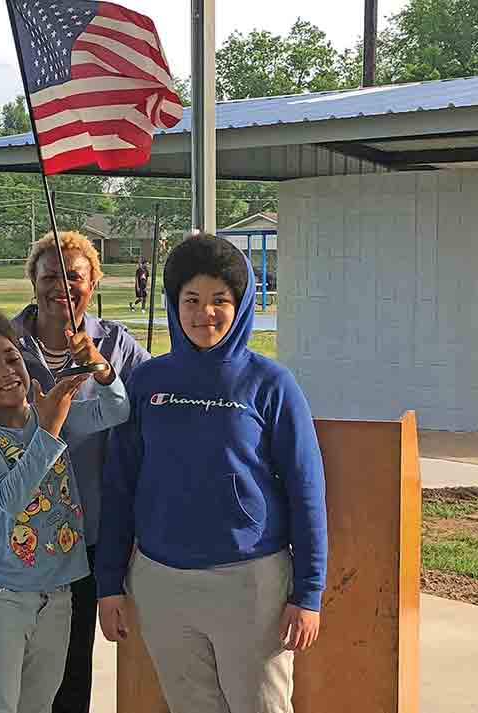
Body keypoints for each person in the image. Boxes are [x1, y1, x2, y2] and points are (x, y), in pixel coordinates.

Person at [96, 235, 328, 713]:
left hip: (250, 583)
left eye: (220, 300)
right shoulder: (147, 382)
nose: (206, 314)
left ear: (239, 305)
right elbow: (119, 486)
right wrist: (110, 583)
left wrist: (308, 593)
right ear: (174, 304)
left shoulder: (272, 384)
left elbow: (307, 492)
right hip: (163, 584)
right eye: (192, 300)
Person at [0, 231, 150, 713]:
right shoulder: (3, 344)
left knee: (65, 678)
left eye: (73, 275)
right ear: (32, 282)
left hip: (78, 542)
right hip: (6, 561)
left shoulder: (116, 343)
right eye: (49, 275)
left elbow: (131, 406)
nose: (61, 285)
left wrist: (100, 369)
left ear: (93, 281)